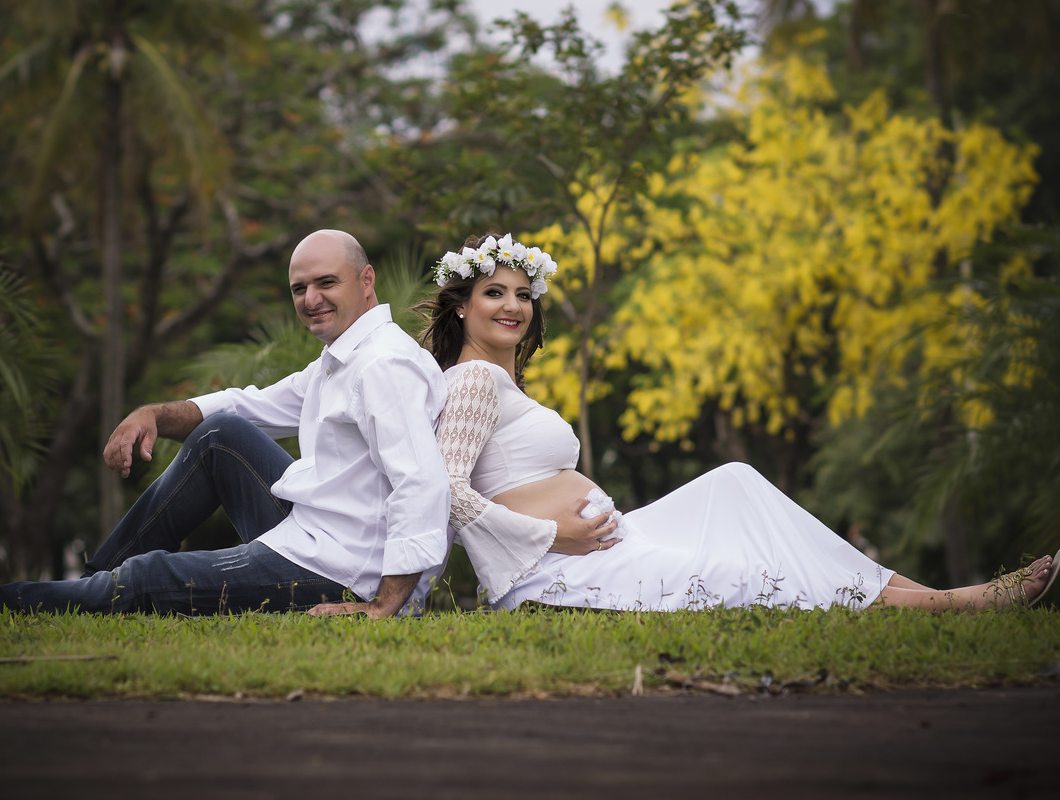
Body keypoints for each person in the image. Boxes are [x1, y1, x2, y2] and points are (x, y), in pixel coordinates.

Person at [418, 232, 1060, 612]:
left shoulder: (498, 382)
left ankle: (929, 597)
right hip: (553, 573)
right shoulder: (472, 379)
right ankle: (945, 607)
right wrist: (550, 535)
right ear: (462, 305)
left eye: (523, 293)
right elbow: (446, 492)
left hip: (601, 543)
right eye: (494, 293)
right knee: (747, 574)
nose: (513, 306)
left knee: (736, 484)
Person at [0, 229, 451, 618]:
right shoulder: (343, 358)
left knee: (147, 578)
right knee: (221, 436)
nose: (311, 299)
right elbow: (246, 406)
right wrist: (152, 415)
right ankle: (92, 589)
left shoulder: (383, 366)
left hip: (343, 573)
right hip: (318, 534)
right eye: (300, 288)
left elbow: (422, 484)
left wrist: (386, 605)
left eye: (326, 283)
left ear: (366, 281)